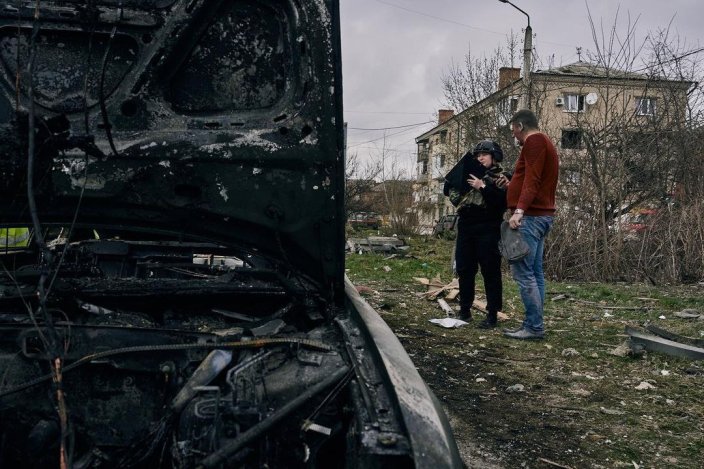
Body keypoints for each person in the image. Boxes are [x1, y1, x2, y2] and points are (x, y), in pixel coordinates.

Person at [504, 109, 559, 340]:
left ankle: (534, 327)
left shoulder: (534, 141)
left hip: (531, 217)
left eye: (513, 130)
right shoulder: (544, 141)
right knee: (535, 273)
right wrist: (510, 185)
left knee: (524, 273)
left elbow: (533, 179)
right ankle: (533, 323)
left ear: (520, 126)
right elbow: (531, 178)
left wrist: (519, 210)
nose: (513, 135)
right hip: (540, 215)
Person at [444, 140, 508, 328]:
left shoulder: (502, 178)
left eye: (484, 155)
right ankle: (465, 310)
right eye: (478, 155)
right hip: (466, 224)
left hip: (488, 226)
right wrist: (451, 181)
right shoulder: (469, 172)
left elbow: (501, 203)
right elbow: (449, 192)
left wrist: (483, 187)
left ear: (494, 157)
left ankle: (492, 315)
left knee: (490, 271)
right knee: (465, 269)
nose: (480, 158)